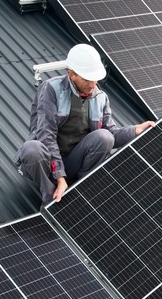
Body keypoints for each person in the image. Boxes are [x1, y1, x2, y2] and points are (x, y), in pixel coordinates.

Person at [14, 44, 153, 206]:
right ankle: (49, 200)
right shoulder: (51, 89)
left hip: (73, 161)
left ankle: (82, 189)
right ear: (71, 74)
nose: (93, 84)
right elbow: (46, 135)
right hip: (46, 164)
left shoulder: (101, 98)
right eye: (87, 79)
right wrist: (59, 176)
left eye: (95, 79)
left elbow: (111, 135)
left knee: (104, 137)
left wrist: (136, 130)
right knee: (31, 149)